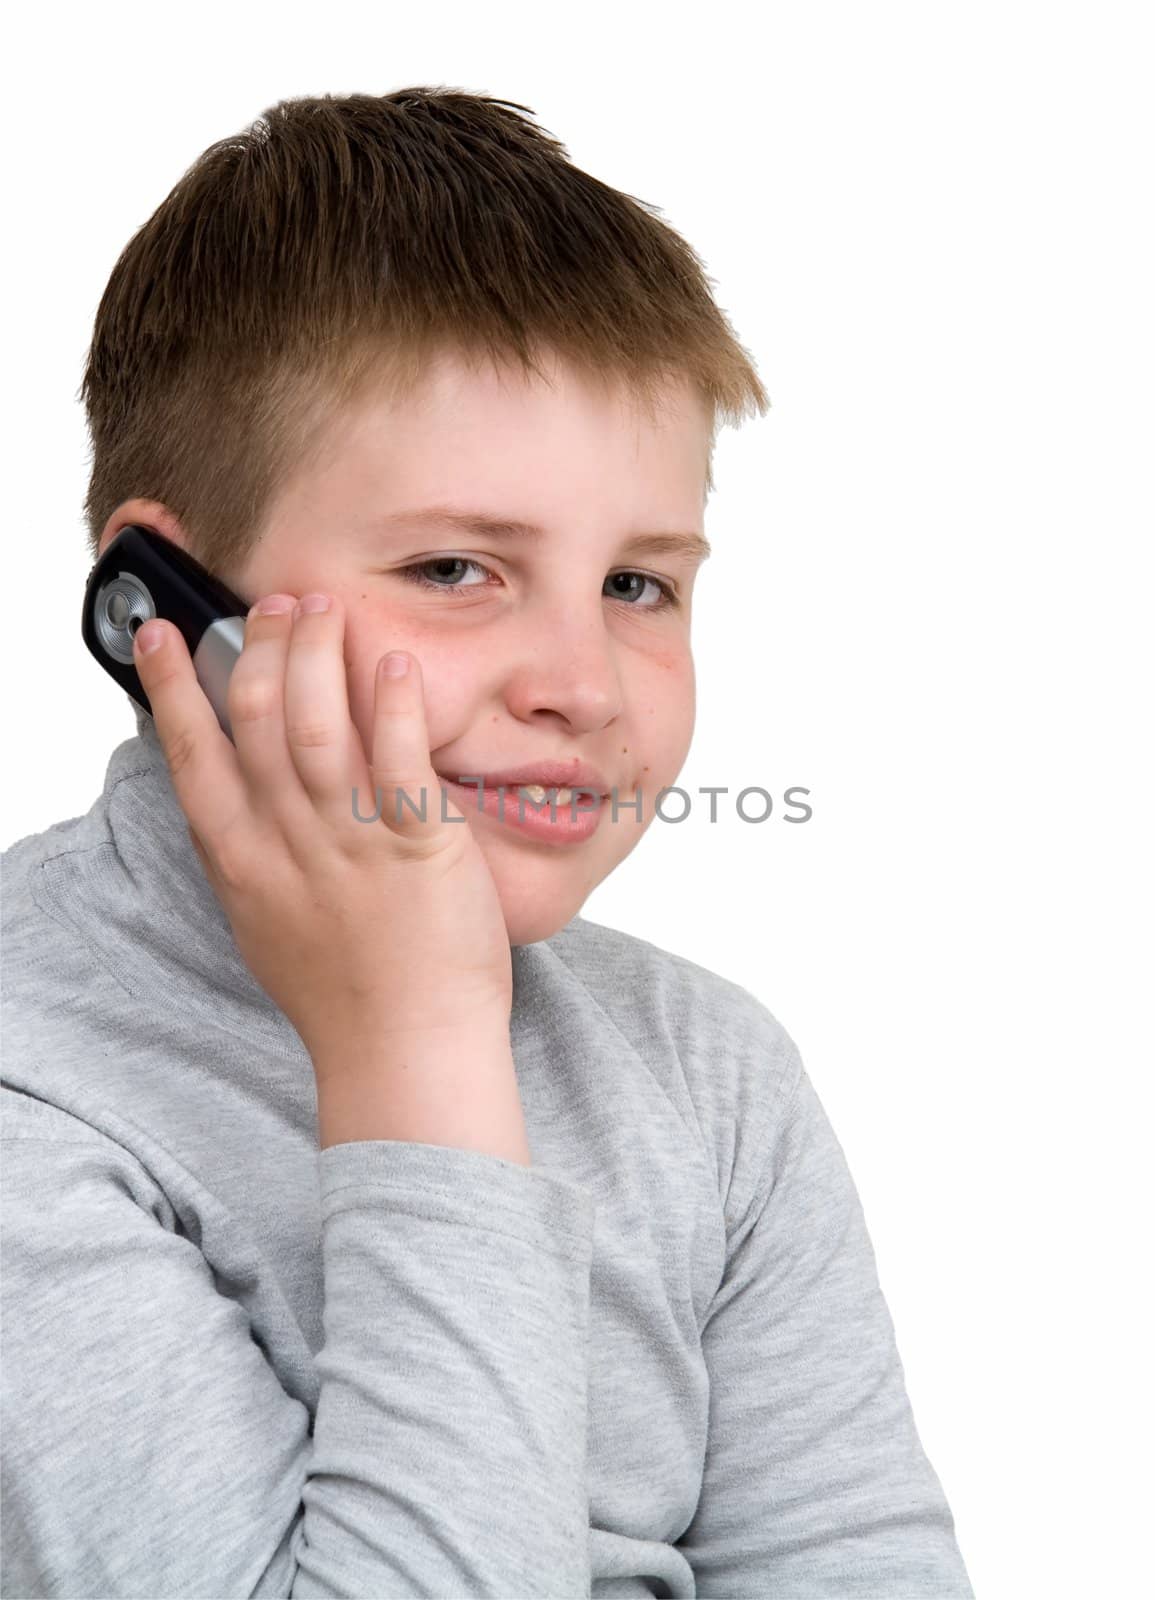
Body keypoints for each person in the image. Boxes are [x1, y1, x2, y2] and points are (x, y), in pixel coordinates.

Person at [0, 88, 974, 1598]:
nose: (581, 684)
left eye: (640, 586)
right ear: (167, 616)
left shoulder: (710, 1079)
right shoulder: (31, 1084)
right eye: (457, 568)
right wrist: (418, 1038)